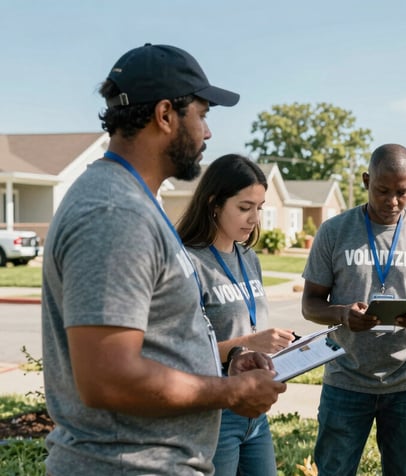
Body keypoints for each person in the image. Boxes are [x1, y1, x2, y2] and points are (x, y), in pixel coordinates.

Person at [41, 44, 286, 475]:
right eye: (203, 114)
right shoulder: (114, 212)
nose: (207, 133)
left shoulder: (135, 202)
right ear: (165, 114)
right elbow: (107, 378)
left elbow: (158, 341)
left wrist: (224, 361)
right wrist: (229, 392)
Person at [301, 143, 406, 476]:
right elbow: (310, 303)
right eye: (382, 190)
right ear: (365, 180)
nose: (393, 201)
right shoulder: (334, 231)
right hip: (346, 378)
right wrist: (342, 314)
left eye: (402, 192)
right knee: (334, 470)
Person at [177, 154, 294, 476]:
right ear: (214, 203)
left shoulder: (248, 257)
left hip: (254, 409)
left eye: (260, 207)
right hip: (214, 410)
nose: (255, 218)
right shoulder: (188, 262)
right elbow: (181, 352)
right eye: (245, 208)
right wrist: (248, 341)